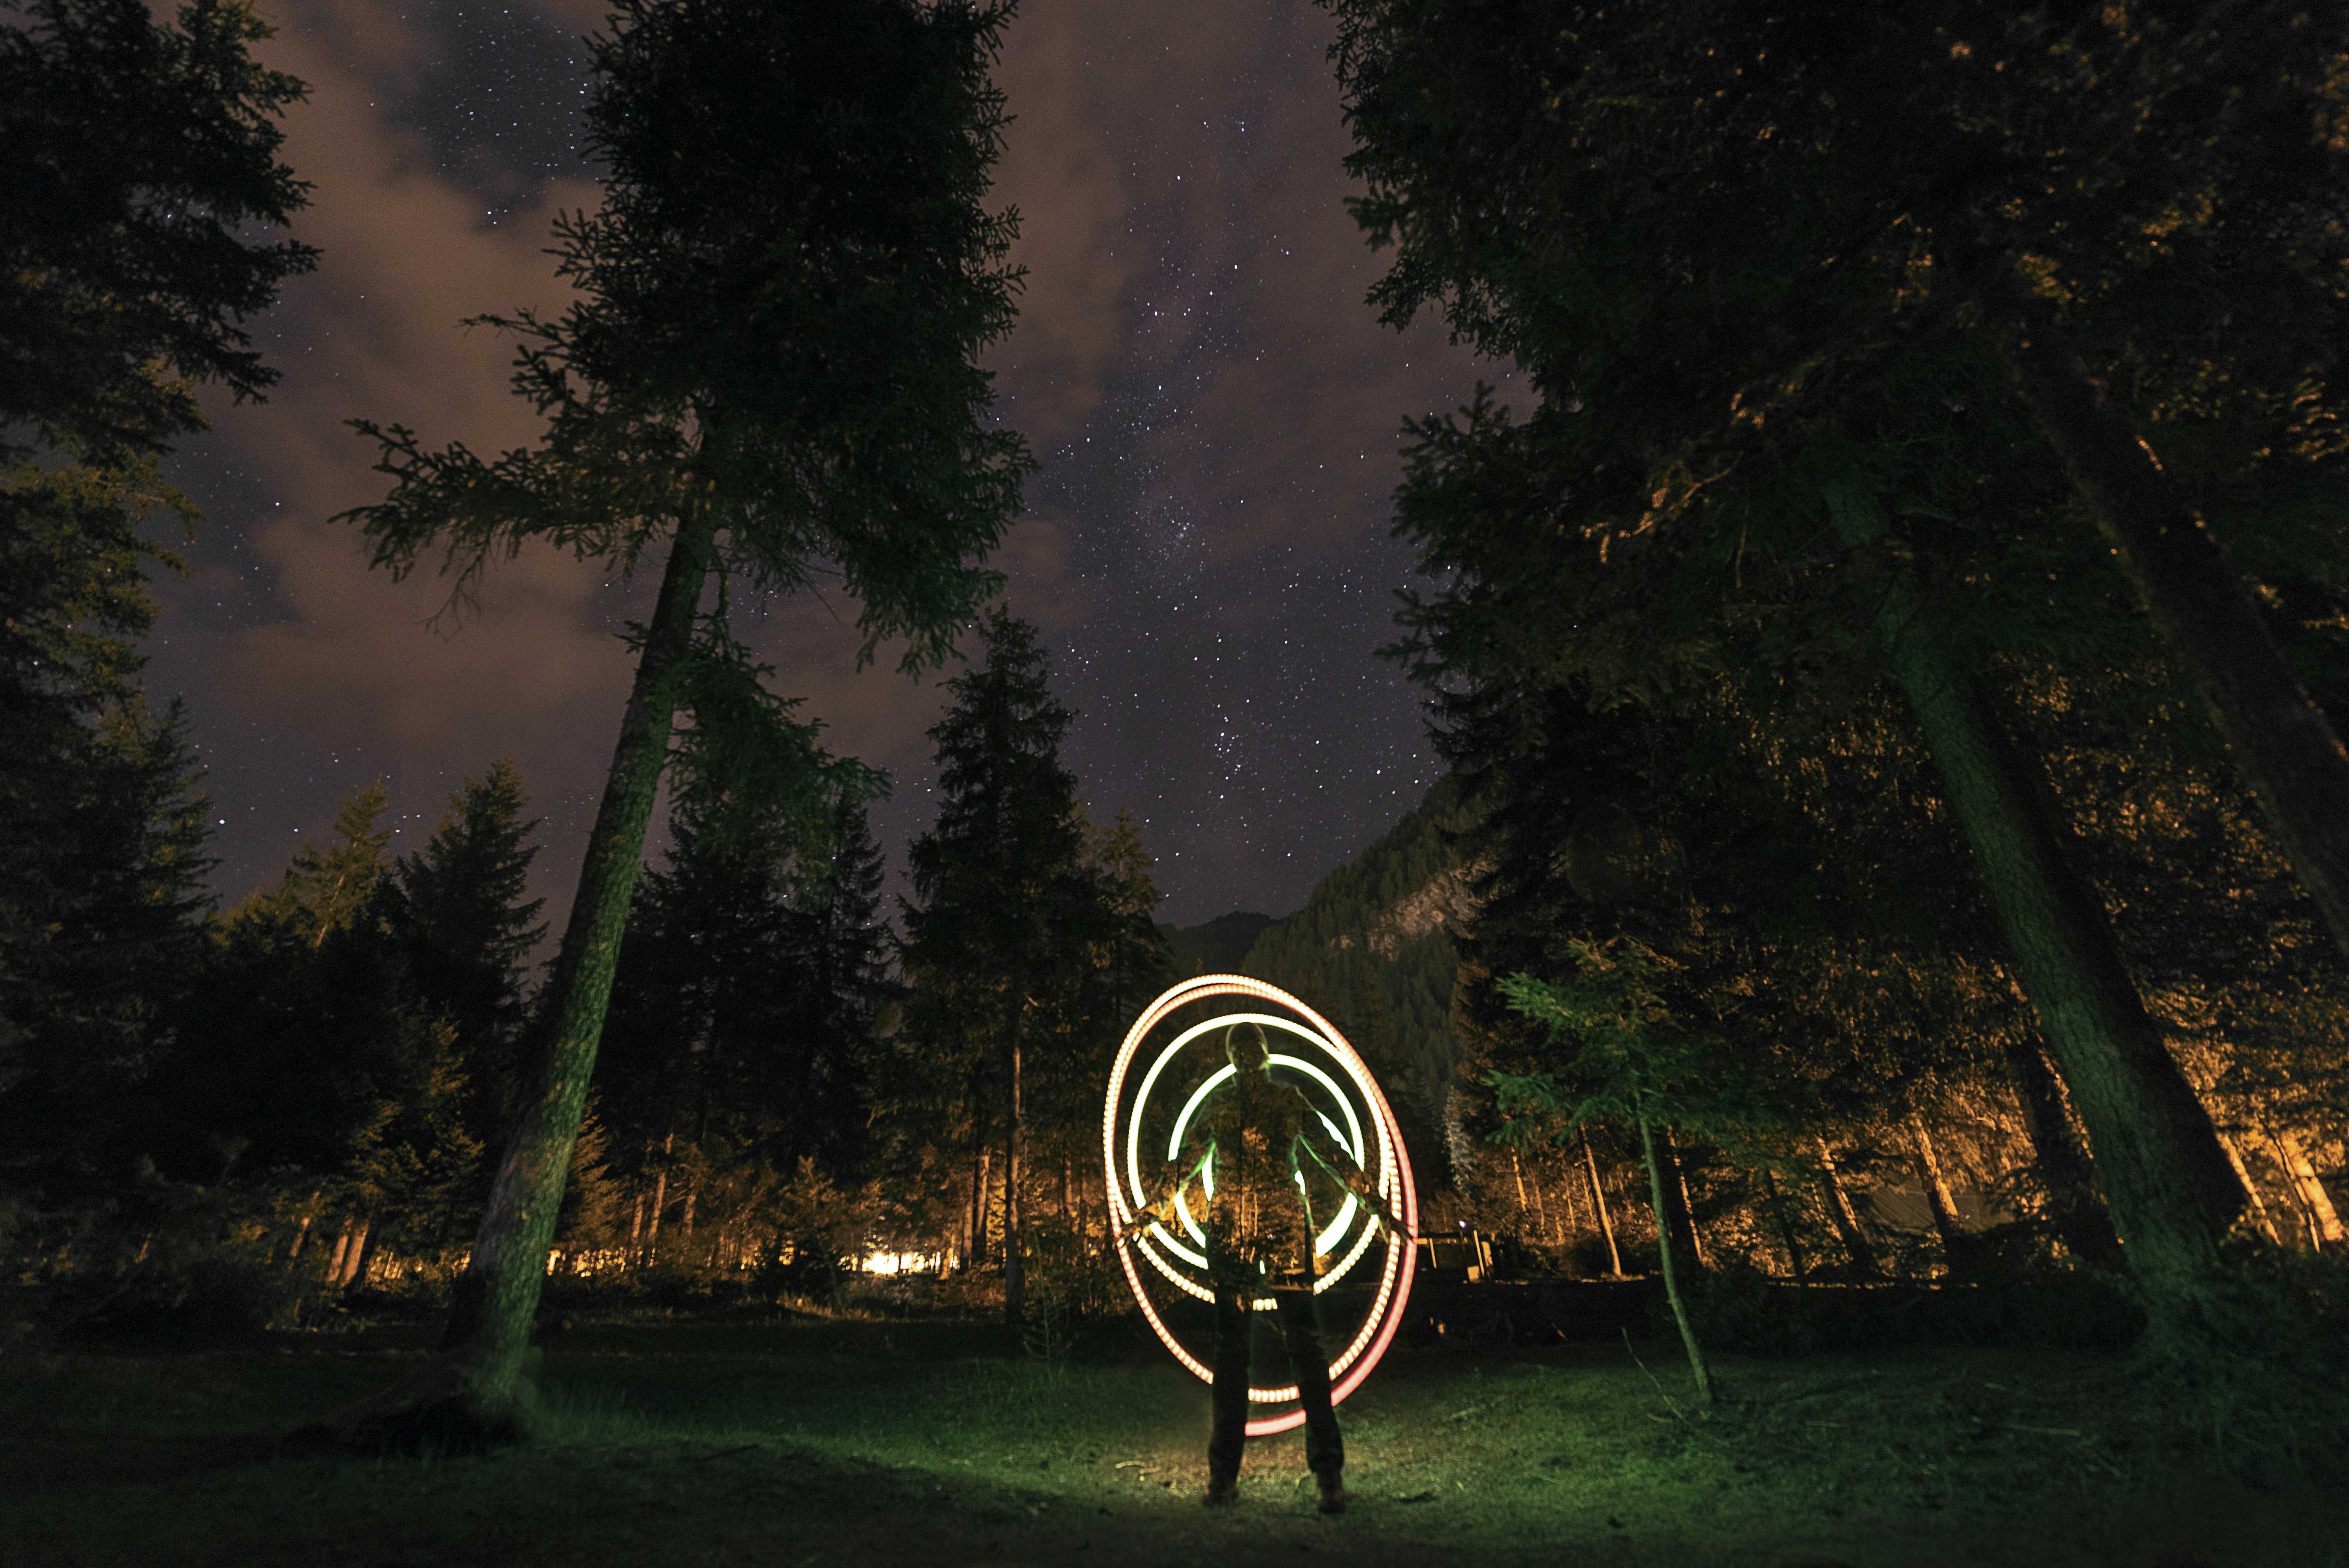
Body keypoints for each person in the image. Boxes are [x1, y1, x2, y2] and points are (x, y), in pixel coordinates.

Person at [1137, 1021, 1404, 1513]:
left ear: (1263, 1054)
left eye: (1251, 1047)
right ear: (1231, 1058)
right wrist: (1153, 1206)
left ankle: (1326, 1476)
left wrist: (1373, 1203)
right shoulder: (1221, 1107)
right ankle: (1225, 1477)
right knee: (1233, 1353)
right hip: (1233, 1236)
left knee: (1301, 1347)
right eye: (1236, 1049)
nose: (1244, 1056)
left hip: (1279, 1231)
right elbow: (1187, 1160)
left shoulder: (1287, 1100)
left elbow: (1330, 1151)